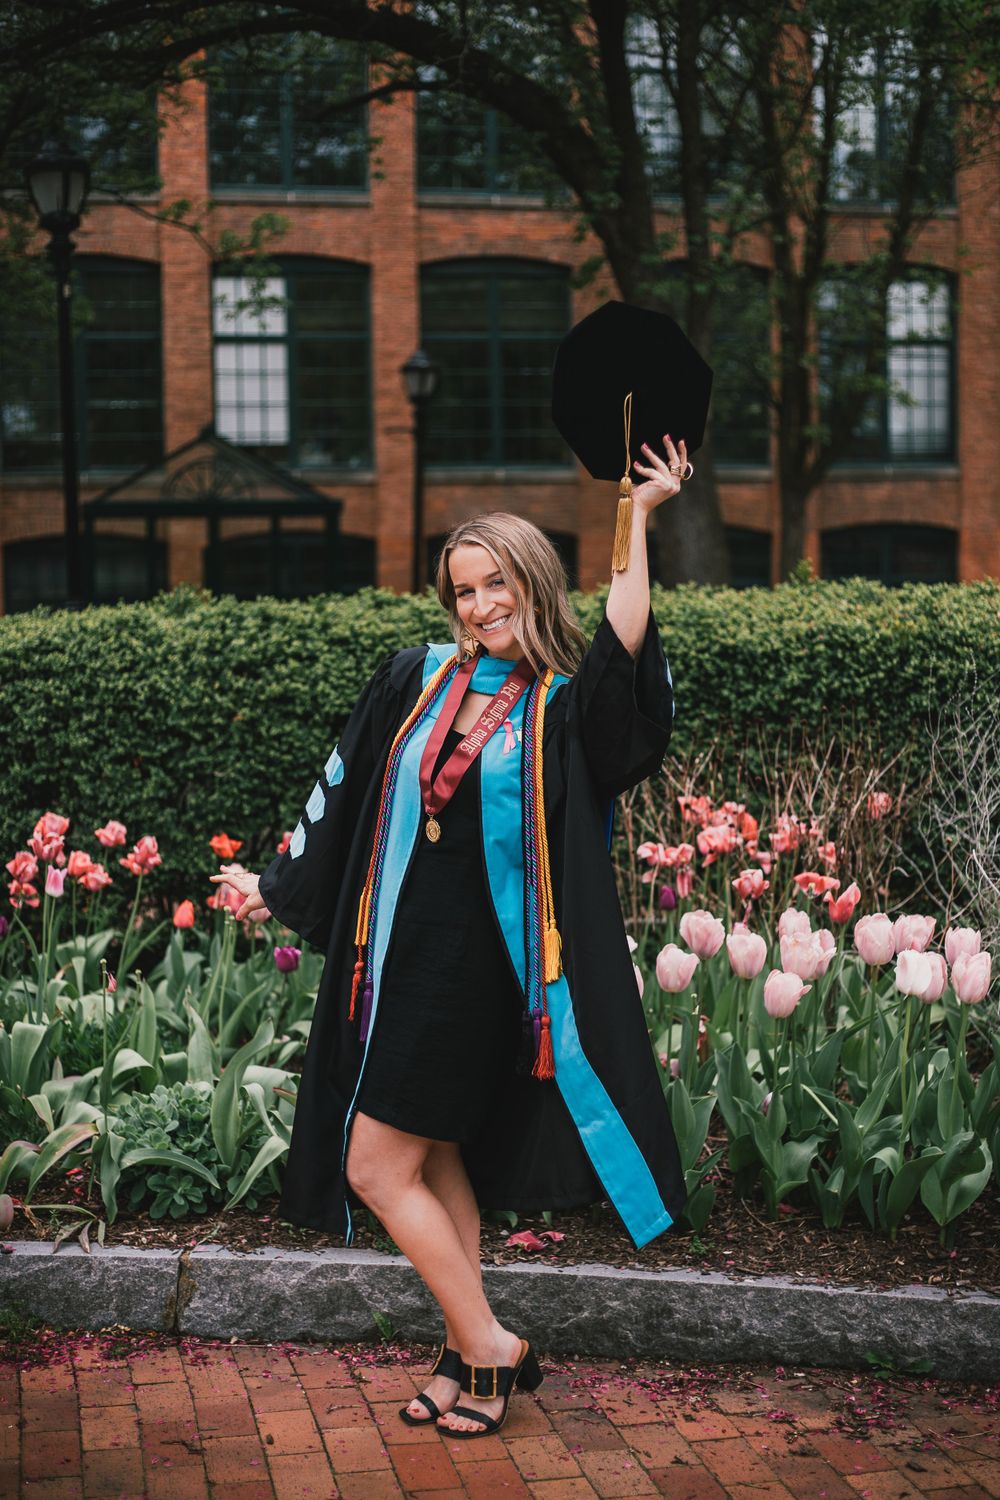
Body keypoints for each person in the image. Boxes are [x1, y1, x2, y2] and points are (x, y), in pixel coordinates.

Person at [211, 433, 690, 1438]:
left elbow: (622, 652)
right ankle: (464, 1357)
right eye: (463, 591)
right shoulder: (415, 678)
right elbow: (344, 788)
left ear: (532, 581)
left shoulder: (559, 706)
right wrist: (275, 884)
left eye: (496, 583)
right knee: (431, 1167)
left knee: (375, 1168)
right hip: (397, 957)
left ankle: (493, 1345)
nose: (479, 606)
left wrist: (638, 518)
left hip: (480, 975)